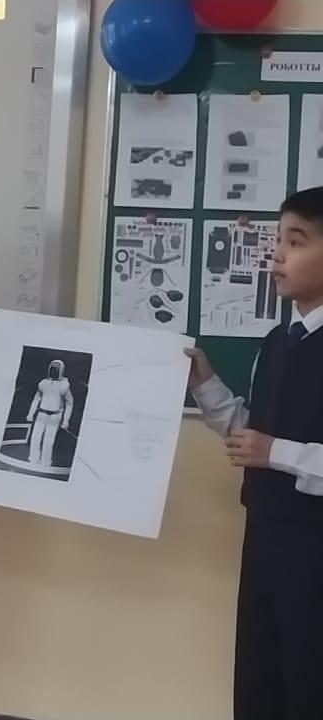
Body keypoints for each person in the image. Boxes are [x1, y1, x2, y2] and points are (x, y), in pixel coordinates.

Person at [186, 186, 323, 720]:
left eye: (297, 241)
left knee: (309, 681)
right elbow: (252, 436)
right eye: (278, 240)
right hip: (265, 535)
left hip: (313, 545)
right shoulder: (277, 340)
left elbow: (269, 448)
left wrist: (278, 453)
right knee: (261, 676)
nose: (278, 255)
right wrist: (205, 384)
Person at [27, 359, 74, 467]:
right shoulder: (43, 383)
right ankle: (33, 459)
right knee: (35, 438)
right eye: (53, 368)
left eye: (57, 369)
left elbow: (70, 403)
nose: (54, 371)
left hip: (55, 416)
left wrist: (66, 420)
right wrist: (31, 413)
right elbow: (36, 398)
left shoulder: (64, 386)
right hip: (42, 414)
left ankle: (45, 462)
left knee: (48, 441)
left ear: (61, 370)